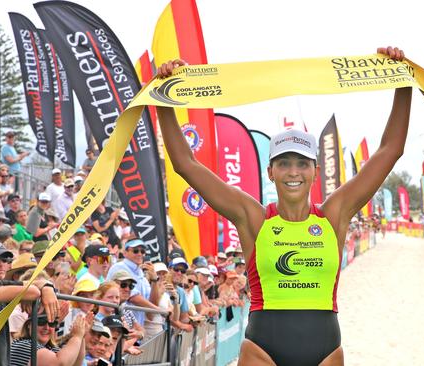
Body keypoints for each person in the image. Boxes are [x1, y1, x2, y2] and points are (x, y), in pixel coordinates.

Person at [156, 46, 411, 366]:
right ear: (270, 171)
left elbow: (390, 150)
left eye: (302, 164)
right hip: (263, 351)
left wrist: (402, 81)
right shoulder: (253, 217)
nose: (293, 172)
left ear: (315, 172)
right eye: (284, 163)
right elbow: (185, 164)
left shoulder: (334, 214)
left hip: (326, 352)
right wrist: (162, 99)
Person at [0, 239, 58, 366]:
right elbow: (33, 292)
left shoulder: (0, 284)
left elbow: (36, 283)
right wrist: (28, 293)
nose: (0, 264)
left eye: (5, 260)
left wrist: (47, 287)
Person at [10, 311, 88, 366]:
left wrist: (82, 335)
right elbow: (59, 364)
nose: (47, 327)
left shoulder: (50, 348)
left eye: (52, 323)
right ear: (29, 324)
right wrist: (77, 336)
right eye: (41, 321)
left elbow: (74, 364)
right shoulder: (23, 344)